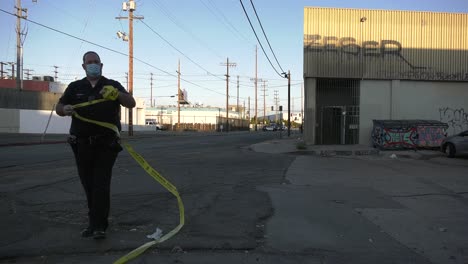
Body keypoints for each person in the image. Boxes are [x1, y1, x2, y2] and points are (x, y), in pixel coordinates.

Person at [56, 51, 135, 239]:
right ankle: (93, 223)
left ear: (101, 65)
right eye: (89, 62)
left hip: (106, 144)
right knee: (88, 184)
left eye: (96, 62)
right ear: (83, 66)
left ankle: (100, 226)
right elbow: (59, 107)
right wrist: (64, 110)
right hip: (81, 144)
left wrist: (117, 94)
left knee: (100, 183)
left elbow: (130, 103)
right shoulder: (75, 87)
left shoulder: (112, 85)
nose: (93, 64)